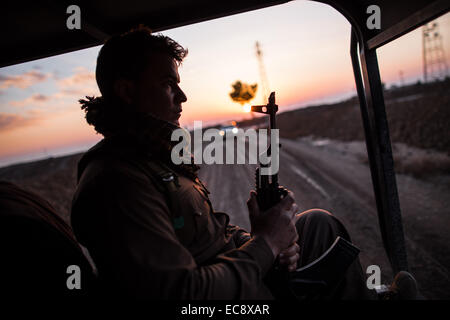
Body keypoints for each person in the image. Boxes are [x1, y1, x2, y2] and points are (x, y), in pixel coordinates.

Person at [71, 26, 414, 300]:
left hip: (242, 277)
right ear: (127, 92)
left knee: (318, 224)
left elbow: (210, 233)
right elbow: (184, 295)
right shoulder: (116, 183)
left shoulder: (153, 157)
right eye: (167, 84)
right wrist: (265, 245)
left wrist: (263, 235)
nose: (183, 97)